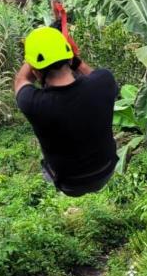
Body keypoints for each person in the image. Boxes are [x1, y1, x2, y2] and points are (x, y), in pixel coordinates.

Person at [14, 25, 118, 196]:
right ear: (70, 59)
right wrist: (64, 51)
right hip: (106, 169)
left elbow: (21, 79)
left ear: (36, 72)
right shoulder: (104, 81)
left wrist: (37, 55)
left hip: (70, 183)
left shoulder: (33, 103)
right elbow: (88, 73)